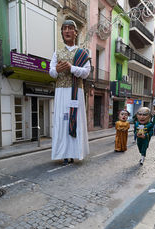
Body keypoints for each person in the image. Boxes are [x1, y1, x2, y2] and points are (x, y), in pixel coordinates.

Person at [49, 20, 91, 165]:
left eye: (70, 28)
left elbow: (86, 73)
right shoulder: (57, 52)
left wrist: (71, 68)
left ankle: (74, 153)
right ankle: (63, 153)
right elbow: (51, 72)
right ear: (62, 32)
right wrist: (57, 70)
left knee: (75, 121)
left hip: (76, 91)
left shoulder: (82, 53)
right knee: (62, 121)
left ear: (75, 32)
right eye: (64, 28)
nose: (67, 31)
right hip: (61, 91)